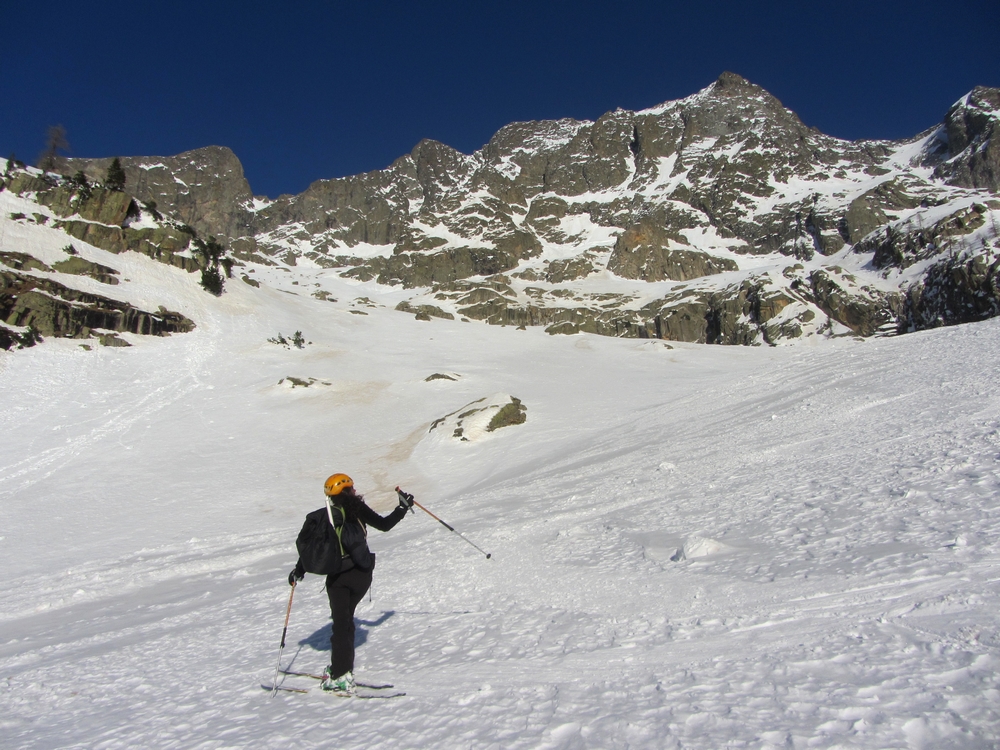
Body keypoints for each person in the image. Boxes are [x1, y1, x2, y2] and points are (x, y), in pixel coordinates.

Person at [288, 473, 413, 694]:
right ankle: (342, 668)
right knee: (346, 621)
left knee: (341, 624)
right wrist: (402, 508)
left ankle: (340, 674)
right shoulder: (358, 509)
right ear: (350, 491)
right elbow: (384, 525)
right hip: (363, 575)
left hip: (339, 578)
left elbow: (314, 549)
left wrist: (299, 571)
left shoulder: (326, 516)